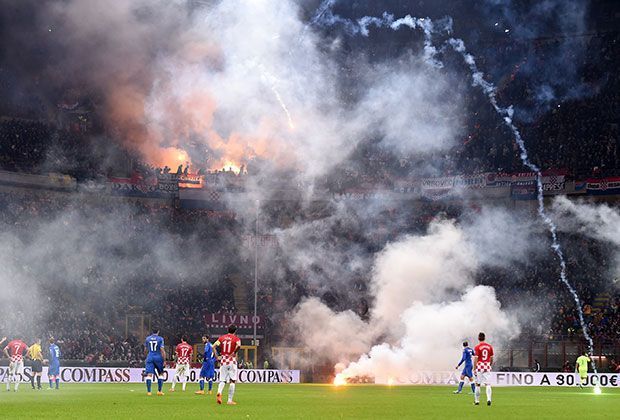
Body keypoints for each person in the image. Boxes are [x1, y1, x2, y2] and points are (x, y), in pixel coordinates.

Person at [213, 324, 241, 405]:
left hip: (223, 360)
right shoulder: (236, 338)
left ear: (227, 330)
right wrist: (234, 352)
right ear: (235, 331)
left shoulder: (222, 338)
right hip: (231, 360)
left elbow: (213, 346)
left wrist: (217, 356)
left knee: (222, 380)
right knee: (232, 381)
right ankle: (229, 400)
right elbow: (239, 345)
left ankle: (219, 392)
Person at [473, 332, 494, 406]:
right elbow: (491, 358)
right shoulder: (489, 347)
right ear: (484, 338)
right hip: (487, 365)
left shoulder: (477, 347)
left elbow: (476, 358)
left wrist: (474, 368)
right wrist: (489, 365)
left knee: (478, 384)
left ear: (478, 338)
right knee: (488, 384)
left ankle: (477, 401)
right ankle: (489, 399)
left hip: (479, 366)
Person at [144, 329, 166, 396]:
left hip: (150, 356)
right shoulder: (160, 339)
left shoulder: (148, 339)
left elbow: (145, 350)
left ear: (152, 331)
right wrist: (164, 360)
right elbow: (162, 350)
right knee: (161, 374)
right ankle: (159, 391)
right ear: (158, 331)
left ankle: (149, 392)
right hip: (158, 357)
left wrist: (147, 357)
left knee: (149, 374)